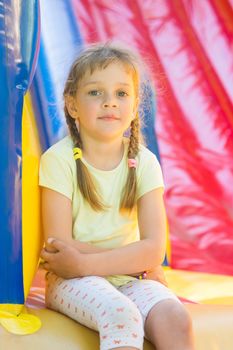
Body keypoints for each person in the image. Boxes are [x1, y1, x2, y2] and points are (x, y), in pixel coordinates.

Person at [40, 42, 195, 350]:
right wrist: (130, 261)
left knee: (175, 316)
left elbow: (153, 250)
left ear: (135, 105)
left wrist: (90, 263)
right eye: (96, 92)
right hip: (70, 281)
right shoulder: (58, 160)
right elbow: (60, 247)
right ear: (72, 105)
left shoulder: (144, 162)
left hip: (124, 277)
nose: (110, 102)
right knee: (120, 312)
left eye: (121, 94)